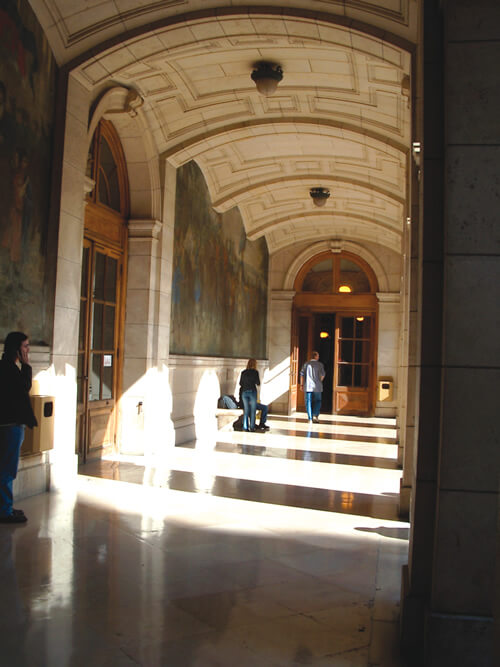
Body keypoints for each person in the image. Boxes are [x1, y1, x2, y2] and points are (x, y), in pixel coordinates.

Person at [0, 332, 37, 523]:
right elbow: (24, 387)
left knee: (6, 468)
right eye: (25, 346)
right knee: (7, 469)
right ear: (16, 348)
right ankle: (4, 511)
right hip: (10, 425)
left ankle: (5, 507)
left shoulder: (6, 366)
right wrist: (27, 365)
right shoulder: (8, 368)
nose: (27, 350)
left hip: (9, 424)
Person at [300, 351, 325, 424]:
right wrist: (319, 381)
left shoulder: (306, 364)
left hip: (308, 386)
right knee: (318, 401)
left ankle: (310, 418)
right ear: (316, 357)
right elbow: (323, 375)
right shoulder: (320, 364)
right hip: (317, 386)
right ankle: (315, 414)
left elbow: (301, 375)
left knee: (308, 402)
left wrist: (301, 385)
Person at [239, 358, 263, 432]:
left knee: (246, 410)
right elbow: (258, 383)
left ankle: (245, 427)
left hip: (244, 392)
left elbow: (240, 383)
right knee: (253, 410)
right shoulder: (255, 372)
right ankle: (252, 427)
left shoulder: (243, 372)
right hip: (252, 392)